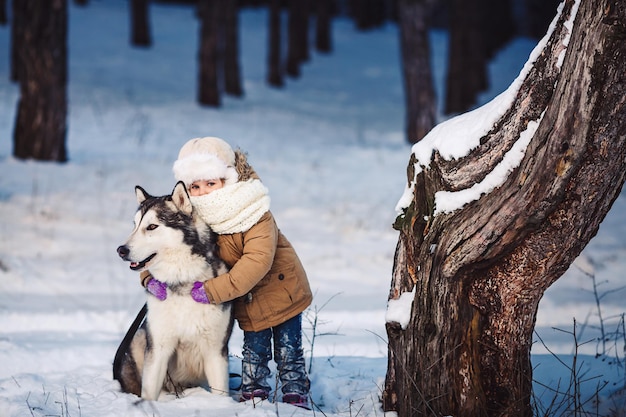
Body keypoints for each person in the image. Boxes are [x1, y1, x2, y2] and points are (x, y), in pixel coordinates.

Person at [140, 137, 313, 409]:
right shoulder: (197, 215)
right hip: (246, 297)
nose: (204, 191)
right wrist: (149, 277)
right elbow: (172, 249)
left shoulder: (253, 211)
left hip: (282, 290)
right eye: (195, 186)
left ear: (227, 178)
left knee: (288, 349)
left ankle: (295, 389)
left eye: (211, 183)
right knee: (254, 350)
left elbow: (257, 261)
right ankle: (254, 389)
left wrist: (212, 291)